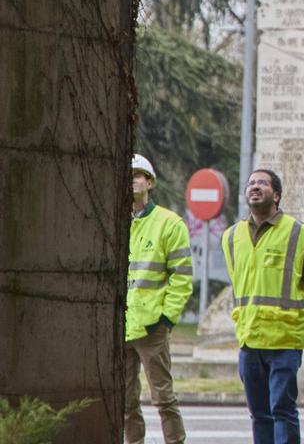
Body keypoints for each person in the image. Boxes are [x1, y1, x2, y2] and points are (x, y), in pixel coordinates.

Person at [221, 169, 304, 444]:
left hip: (284, 342)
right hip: (250, 341)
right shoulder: (231, 237)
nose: (255, 187)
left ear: (276, 195)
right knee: (259, 414)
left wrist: (301, 323)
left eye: (262, 183)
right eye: (251, 183)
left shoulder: (297, 233)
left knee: (282, 410)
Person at [125, 153, 192, 444]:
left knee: (164, 398)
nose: (132, 180)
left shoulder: (170, 224)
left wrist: (166, 319)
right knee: (125, 401)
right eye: (128, 175)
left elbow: (182, 276)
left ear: (150, 182)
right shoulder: (114, 221)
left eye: (138, 175)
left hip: (152, 326)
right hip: (121, 327)